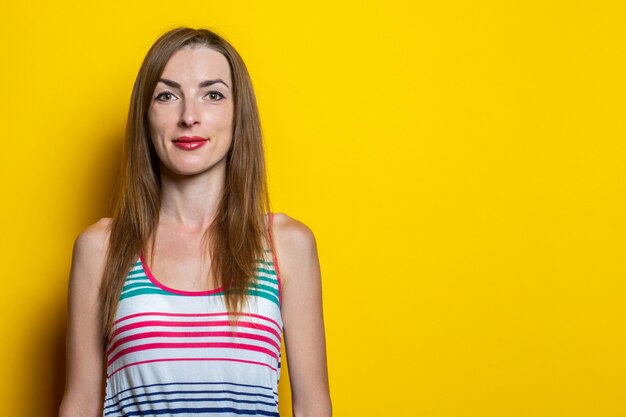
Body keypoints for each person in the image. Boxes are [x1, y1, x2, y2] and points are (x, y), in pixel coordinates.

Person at [59, 27, 331, 417]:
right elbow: (82, 403)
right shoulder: (101, 247)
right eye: (167, 96)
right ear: (145, 115)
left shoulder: (287, 244)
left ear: (239, 114)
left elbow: (312, 406)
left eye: (213, 94)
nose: (189, 116)